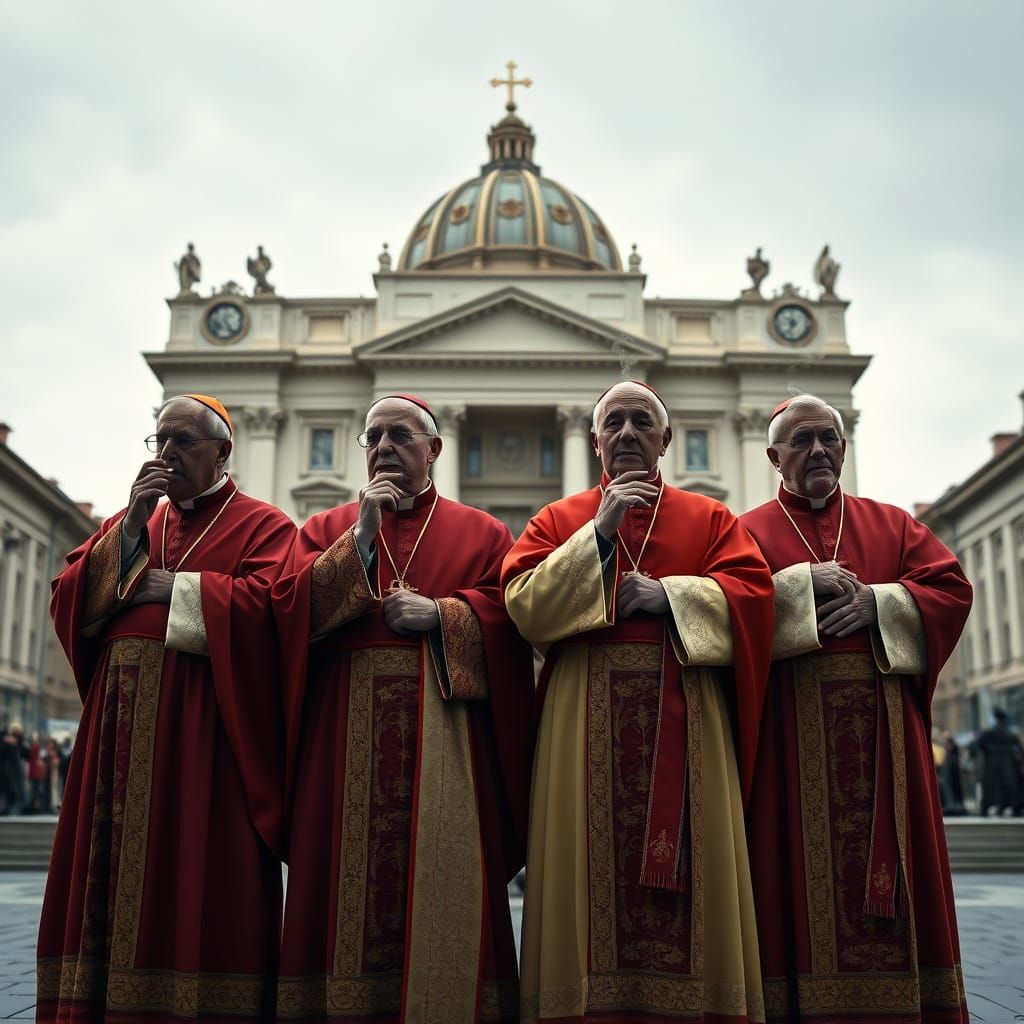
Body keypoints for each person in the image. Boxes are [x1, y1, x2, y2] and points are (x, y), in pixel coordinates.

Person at [501, 380, 774, 1024]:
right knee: (580, 861)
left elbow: (754, 596)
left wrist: (673, 595)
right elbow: (523, 607)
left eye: (641, 422)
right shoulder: (558, 518)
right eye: (614, 423)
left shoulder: (711, 519)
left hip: (689, 721)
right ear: (594, 441)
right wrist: (598, 532)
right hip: (580, 722)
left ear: (666, 439)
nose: (627, 433)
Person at [271, 394, 534, 1023]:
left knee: (445, 889)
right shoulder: (324, 528)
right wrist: (360, 537)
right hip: (343, 741)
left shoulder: (484, 532)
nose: (384, 446)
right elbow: (284, 615)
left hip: (448, 739)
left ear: (434, 450)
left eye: (401, 435)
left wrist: (446, 614)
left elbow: (512, 621)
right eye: (374, 437)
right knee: (341, 886)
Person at [40, 394, 295, 1024]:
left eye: (184, 441)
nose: (168, 453)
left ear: (223, 452)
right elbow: (69, 596)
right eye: (160, 441)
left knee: (195, 868)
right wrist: (128, 530)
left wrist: (179, 590)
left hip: (203, 732)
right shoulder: (137, 522)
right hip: (118, 732)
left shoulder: (265, 525)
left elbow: (277, 612)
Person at [740, 394, 973, 1023]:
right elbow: (725, 609)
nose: (819, 450)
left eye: (830, 438)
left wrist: (884, 604)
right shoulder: (745, 532)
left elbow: (950, 589)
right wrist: (792, 592)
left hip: (886, 737)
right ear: (773, 456)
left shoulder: (892, 524)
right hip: (790, 739)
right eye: (802, 440)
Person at [977, 709, 1023, 816]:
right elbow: (1019, 750)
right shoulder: (1011, 735)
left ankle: (988, 808)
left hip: (992, 765)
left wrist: (990, 752)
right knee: (1009, 786)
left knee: (991, 788)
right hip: (1008, 765)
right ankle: (1013, 807)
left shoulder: (989, 734)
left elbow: (981, 744)